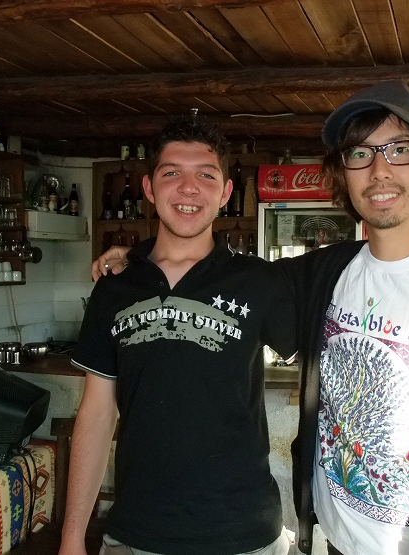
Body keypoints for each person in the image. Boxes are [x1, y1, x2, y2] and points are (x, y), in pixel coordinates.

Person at [94, 81, 409, 555]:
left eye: (400, 149)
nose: (380, 170)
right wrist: (137, 259)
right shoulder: (323, 273)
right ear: (344, 174)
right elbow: (214, 272)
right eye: (360, 154)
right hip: (332, 541)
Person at [63, 116, 296, 555]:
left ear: (225, 192)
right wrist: (72, 537)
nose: (189, 188)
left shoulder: (259, 281)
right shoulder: (114, 288)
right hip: (136, 532)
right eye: (172, 173)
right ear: (149, 188)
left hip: (244, 533)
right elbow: (95, 414)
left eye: (206, 175)